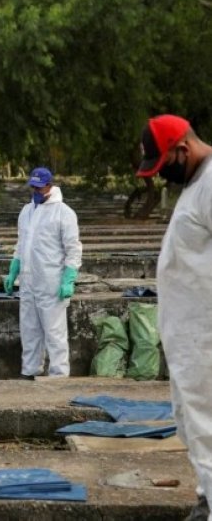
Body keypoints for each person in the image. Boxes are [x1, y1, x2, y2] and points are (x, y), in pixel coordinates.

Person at [135, 114, 212, 521]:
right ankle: (207, 495)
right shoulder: (196, 184)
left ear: (182, 149)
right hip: (189, 337)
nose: (163, 176)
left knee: (208, 427)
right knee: (193, 424)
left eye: (165, 166)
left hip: (207, 337)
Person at [3, 167, 82, 380]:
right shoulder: (26, 211)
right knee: (29, 330)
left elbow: (73, 248)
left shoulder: (64, 213)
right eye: (33, 186)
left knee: (54, 332)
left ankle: (58, 374)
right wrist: (14, 270)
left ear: (49, 185)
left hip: (51, 281)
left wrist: (69, 278)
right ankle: (30, 371)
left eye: (39, 187)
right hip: (28, 281)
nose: (36, 190)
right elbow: (21, 244)